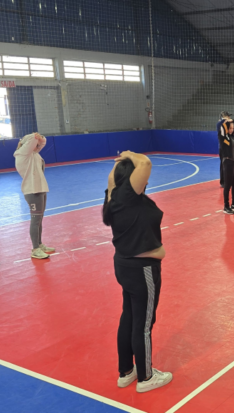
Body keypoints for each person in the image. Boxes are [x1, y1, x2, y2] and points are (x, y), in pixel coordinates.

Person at [102, 151, 173, 393]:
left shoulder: (113, 195)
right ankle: (146, 377)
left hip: (124, 267)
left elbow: (112, 179)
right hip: (142, 271)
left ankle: (126, 372)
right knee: (143, 324)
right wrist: (129, 155)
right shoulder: (129, 196)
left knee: (129, 317)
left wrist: (120, 163)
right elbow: (145, 162)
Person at [14, 132, 55, 260]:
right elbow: (32, 140)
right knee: (35, 220)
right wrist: (34, 136)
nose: (37, 146)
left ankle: (40, 244)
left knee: (39, 219)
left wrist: (40, 138)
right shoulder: (22, 154)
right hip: (32, 191)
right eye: (34, 144)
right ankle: (35, 249)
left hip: (40, 188)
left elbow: (43, 142)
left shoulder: (33, 153)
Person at [216, 112, 234, 188]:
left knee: (231, 165)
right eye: (228, 116)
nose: (229, 118)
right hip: (223, 148)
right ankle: (223, 182)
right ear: (224, 116)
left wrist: (230, 120)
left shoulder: (229, 124)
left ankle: (229, 180)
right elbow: (220, 127)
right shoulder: (220, 123)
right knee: (224, 165)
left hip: (230, 147)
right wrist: (224, 120)